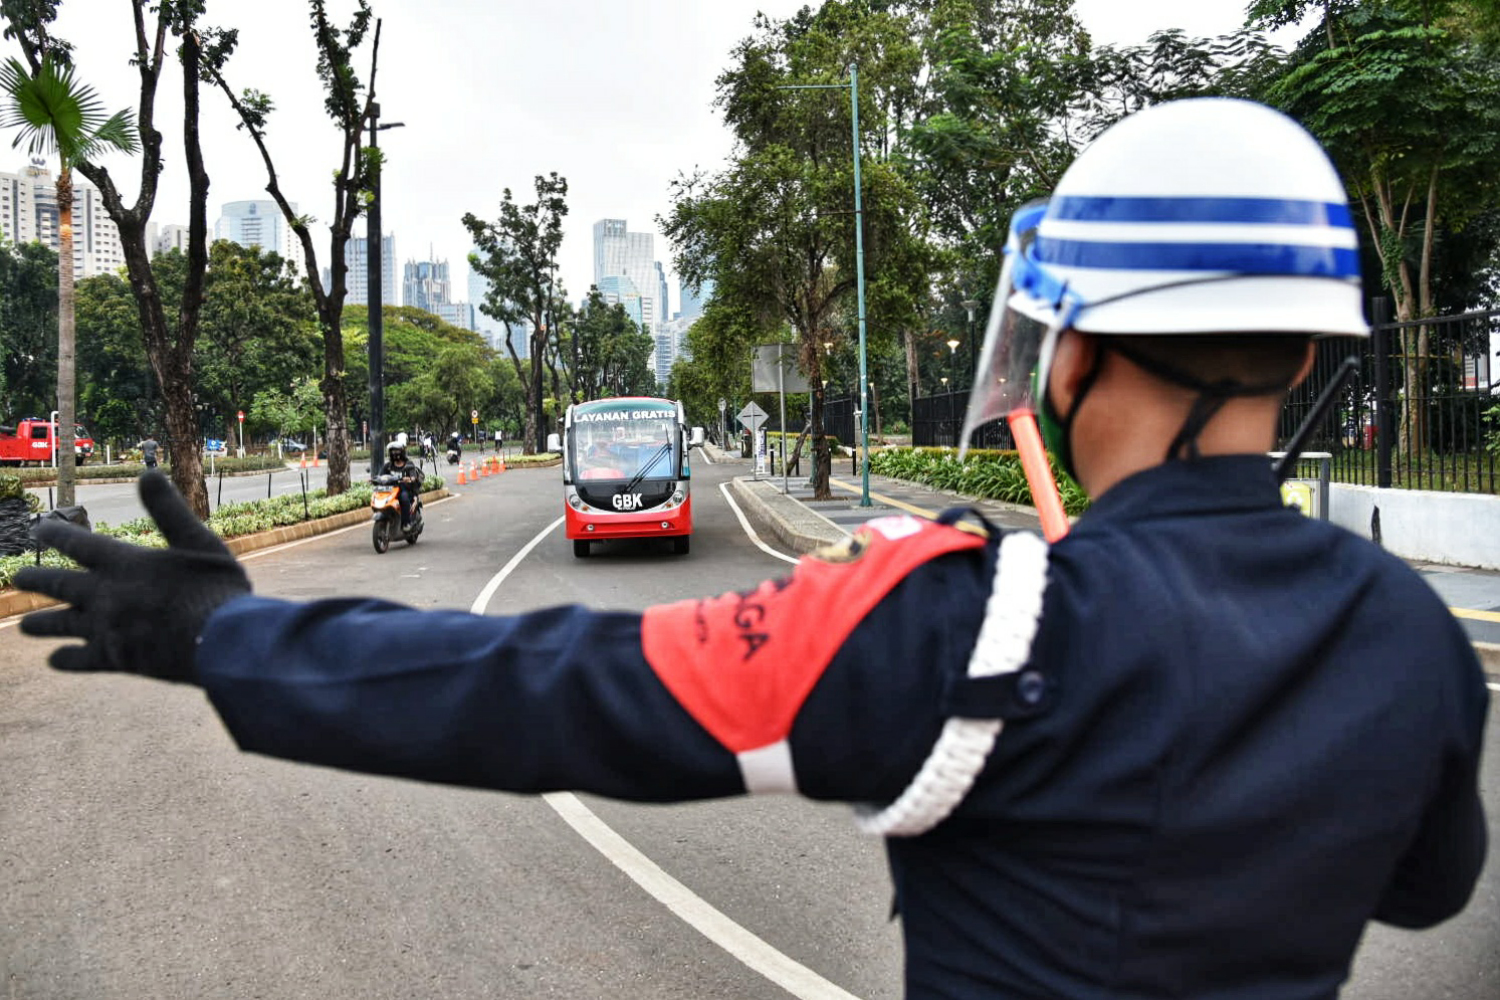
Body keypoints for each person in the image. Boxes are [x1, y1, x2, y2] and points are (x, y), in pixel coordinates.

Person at [14, 99, 1487, 999]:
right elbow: (1424, 887)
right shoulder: (1411, 638)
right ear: (1307, 354)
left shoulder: (978, 630)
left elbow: (551, 688)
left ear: (1070, 352)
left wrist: (225, 633)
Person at [378, 436, 423, 529]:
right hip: (392, 490)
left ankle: (406, 523)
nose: (394, 453)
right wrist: (374, 479)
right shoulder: (388, 466)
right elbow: (381, 475)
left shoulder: (408, 464)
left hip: (405, 490)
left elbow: (413, 475)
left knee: (404, 497)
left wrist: (411, 478)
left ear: (402, 452)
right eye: (392, 451)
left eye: (397, 451)